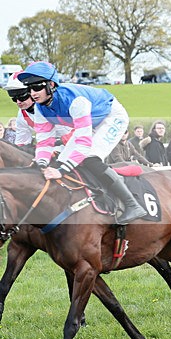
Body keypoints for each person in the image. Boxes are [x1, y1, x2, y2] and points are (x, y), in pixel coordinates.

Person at [17, 61, 146, 224]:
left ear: (50, 84)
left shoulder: (75, 101)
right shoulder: (40, 108)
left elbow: (83, 144)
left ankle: (132, 204)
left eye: (36, 87)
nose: (32, 93)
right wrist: (41, 163)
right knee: (60, 160)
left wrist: (62, 171)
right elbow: (44, 141)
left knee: (90, 157)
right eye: (29, 89)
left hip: (111, 117)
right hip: (89, 122)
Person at [3, 72, 73, 154]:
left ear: (33, 92)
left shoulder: (60, 104)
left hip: (79, 145)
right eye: (14, 99)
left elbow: (82, 130)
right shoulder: (22, 115)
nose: (18, 102)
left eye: (22, 97)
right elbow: (22, 143)